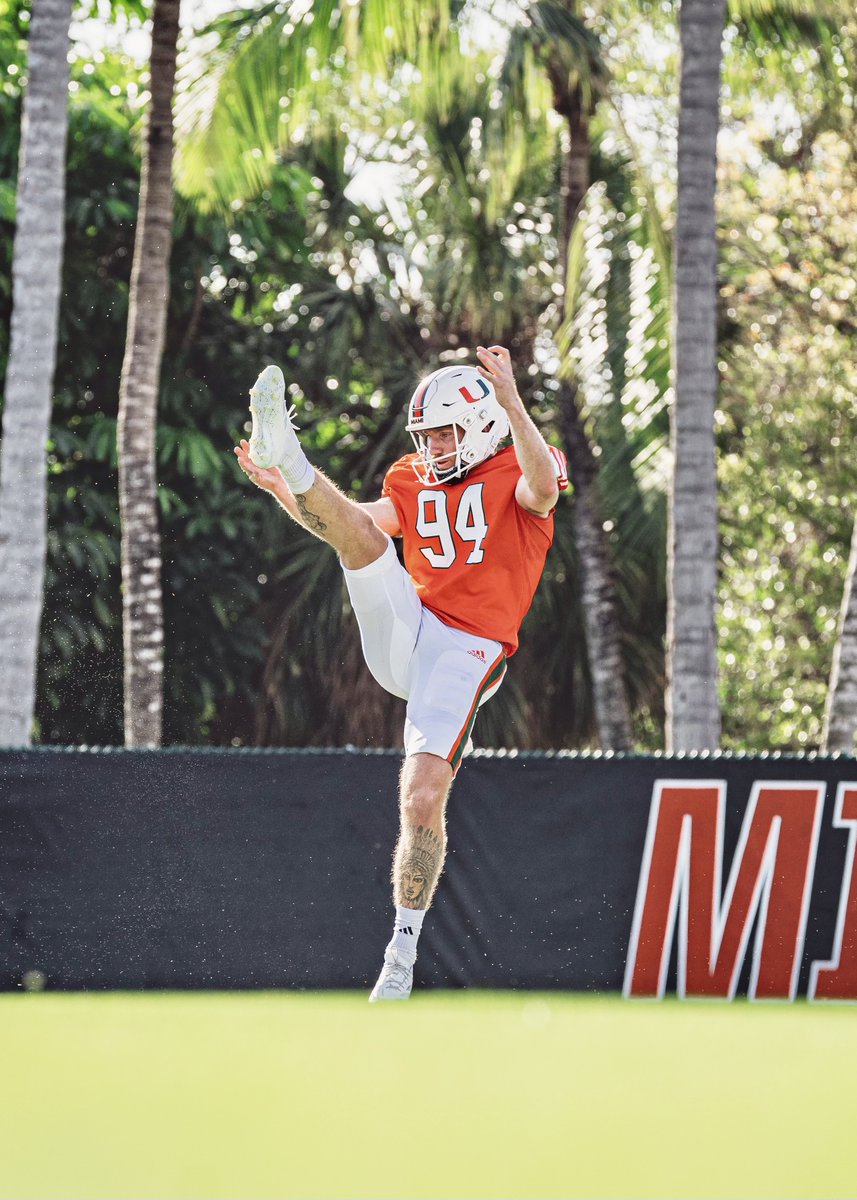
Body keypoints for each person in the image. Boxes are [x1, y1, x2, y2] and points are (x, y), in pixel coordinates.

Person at [234, 345, 568, 1001]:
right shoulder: (413, 477)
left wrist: (513, 402)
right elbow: (350, 527)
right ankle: (290, 454)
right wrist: (283, 489)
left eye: (445, 431)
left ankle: (399, 956)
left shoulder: (522, 462)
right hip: (408, 631)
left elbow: (540, 487)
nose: (435, 446)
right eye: (428, 434)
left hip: (468, 651)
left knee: (420, 798)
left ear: (481, 423)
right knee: (362, 541)